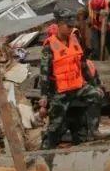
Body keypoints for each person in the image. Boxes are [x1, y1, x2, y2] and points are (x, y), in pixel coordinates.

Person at [39, 8, 104, 148]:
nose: (70, 29)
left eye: (72, 26)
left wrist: (94, 85)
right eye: (68, 26)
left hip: (78, 86)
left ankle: (94, 130)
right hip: (60, 91)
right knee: (55, 126)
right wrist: (44, 99)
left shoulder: (75, 39)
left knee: (97, 95)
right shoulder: (49, 47)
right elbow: (44, 74)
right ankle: (45, 148)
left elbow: (83, 65)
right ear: (59, 25)